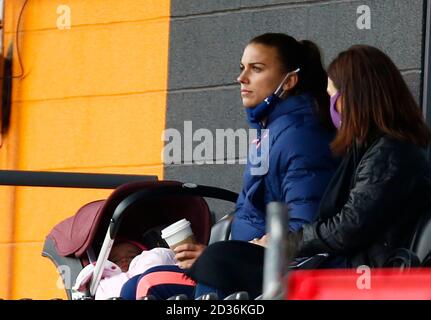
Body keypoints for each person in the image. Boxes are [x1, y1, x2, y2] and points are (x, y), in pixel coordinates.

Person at [187, 44, 431, 298]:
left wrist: (285, 243)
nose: (330, 107)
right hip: (348, 262)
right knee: (223, 260)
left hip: (361, 273)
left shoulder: (389, 153)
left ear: (354, 99)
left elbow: (348, 227)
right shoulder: (375, 148)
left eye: (333, 97)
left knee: (221, 260)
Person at [120, 32, 339, 299]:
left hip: (269, 273)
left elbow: (305, 228)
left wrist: (224, 256)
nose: (241, 78)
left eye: (256, 69)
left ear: (289, 81)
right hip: (240, 265)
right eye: (241, 68)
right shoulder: (272, 130)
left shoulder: (301, 136)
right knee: (138, 284)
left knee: (146, 286)